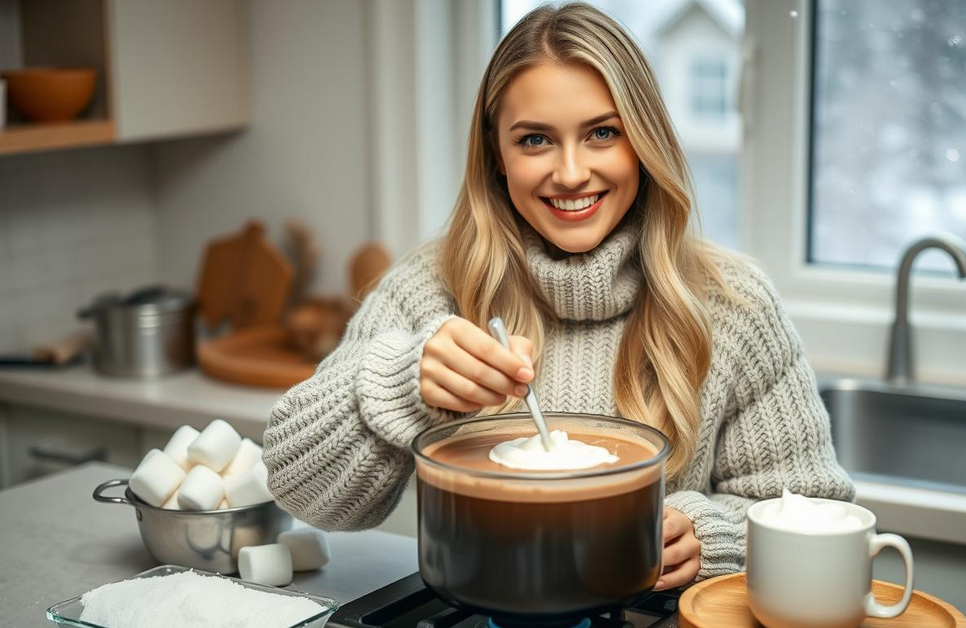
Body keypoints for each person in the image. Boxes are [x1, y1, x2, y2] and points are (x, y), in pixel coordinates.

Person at [263, 1, 854, 591]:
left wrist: (710, 538)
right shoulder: (428, 290)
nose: (570, 174)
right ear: (497, 155)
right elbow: (304, 494)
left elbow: (818, 511)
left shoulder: (734, 306)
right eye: (536, 140)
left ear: (643, 143)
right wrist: (398, 383)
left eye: (602, 133)